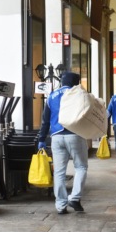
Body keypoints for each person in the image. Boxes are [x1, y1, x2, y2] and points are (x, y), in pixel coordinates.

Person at [38, 72, 88, 215]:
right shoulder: (78, 94)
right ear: (75, 83)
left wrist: (41, 139)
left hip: (56, 136)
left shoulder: (52, 96)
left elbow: (45, 120)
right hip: (74, 134)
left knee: (59, 172)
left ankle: (60, 205)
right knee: (81, 167)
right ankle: (75, 197)